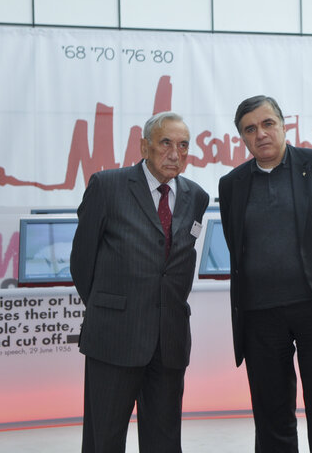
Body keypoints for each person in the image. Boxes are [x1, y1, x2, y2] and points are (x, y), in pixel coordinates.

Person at [218, 95, 312, 453]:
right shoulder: (232, 184)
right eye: (250, 129)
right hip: (260, 317)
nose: (261, 134)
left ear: (284, 125)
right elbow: (236, 245)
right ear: (242, 138)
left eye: (268, 124)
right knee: (271, 417)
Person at [70, 111, 209, 452]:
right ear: (144, 146)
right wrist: (110, 309)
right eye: (165, 143)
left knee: (164, 441)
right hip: (115, 337)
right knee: (105, 439)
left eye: (183, 145)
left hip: (170, 340)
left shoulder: (197, 196)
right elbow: (81, 261)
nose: (175, 153)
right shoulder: (108, 186)